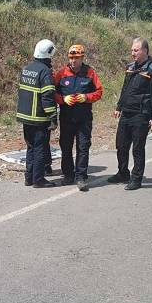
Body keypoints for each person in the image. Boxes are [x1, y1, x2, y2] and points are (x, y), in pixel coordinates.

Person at [108, 38, 152, 190]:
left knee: (137, 148)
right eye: (132, 50)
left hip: (141, 114)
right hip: (126, 112)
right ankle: (122, 172)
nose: (133, 53)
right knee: (121, 145)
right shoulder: (130, 67)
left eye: (136, 50)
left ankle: (136, 178)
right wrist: (119, 107)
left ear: (145, 51)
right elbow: (125, 89)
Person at [53, 44, 103, 191]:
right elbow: (51, 92)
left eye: (77, 58)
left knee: (83, 147)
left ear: (82, 58)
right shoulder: (61, 73)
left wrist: (86, 97)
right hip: (67, 118)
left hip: (84, 119)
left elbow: (99, 92)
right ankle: (68, 175)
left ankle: (81, 177)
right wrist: (62, 99)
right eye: (71, 57)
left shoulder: (90, 73)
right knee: (66, 146)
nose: (74, 61)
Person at [17, 39, 58, 188]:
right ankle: (38, 179)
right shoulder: (45, 72)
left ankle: (29, 178)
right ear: (48, 54)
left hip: (25, 117)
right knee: (40, 148)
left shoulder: (27, 68)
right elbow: (47, 97)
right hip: (39, 118)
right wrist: (53, 117)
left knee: (31, 147)